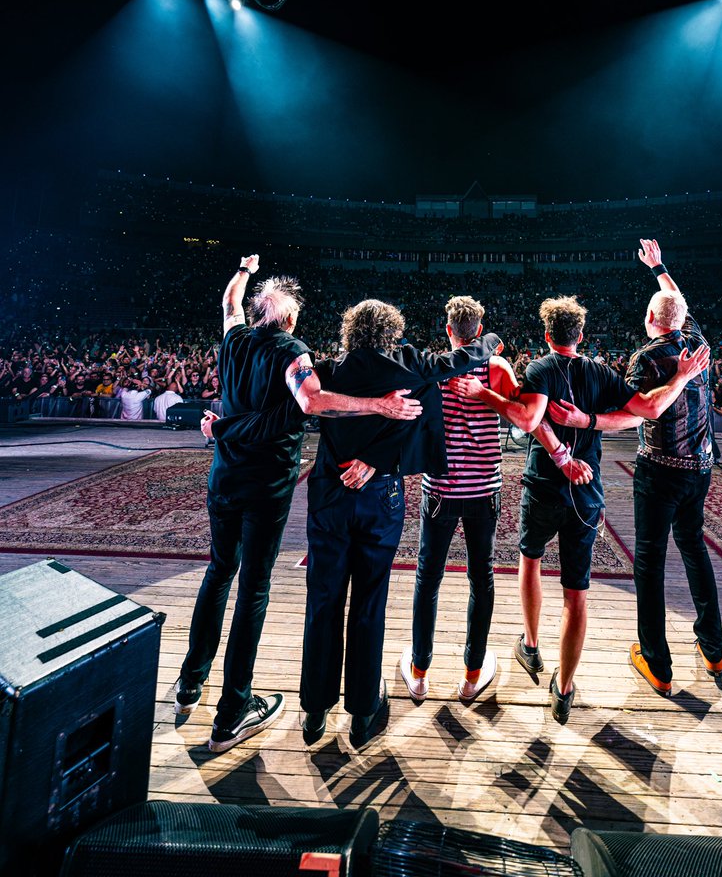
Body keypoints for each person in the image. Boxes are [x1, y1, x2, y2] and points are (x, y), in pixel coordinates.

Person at [176, 258, 423, 754]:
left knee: (219, 571)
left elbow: (227, 304)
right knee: (253, 589)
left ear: (256, 313)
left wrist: (243, 271)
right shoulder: (293, 350)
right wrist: (379, 405)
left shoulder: (234, 337)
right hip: (264, 484)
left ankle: (189, 683)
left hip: (223, 476)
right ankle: (231, 712)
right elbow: (311, 402)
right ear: (289, 319)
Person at [451, 294, 709, 724]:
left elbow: (529, 420)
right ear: (582, 335)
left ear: (548, 335)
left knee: (529, 562)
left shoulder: (538, 368)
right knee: (577, 595)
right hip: (587, 491)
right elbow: (648, 410)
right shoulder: (601, 372)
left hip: (545, 485)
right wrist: (681, 377)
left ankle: (531, 646)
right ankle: (565, 687)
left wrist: (486, 395)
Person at [301, 299, 503, 749]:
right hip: (380, 496)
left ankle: (314, 712)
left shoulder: (327, 370)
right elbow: (464, 359)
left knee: (323, 601)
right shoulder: (409, 364)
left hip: (330, 494)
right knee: (369, 603)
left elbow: (304, 406)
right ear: (392, 332)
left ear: (350, 331)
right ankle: (361, 715)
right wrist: (489, 340)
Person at [400, 295, 520, 705]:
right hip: (484, 489)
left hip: (441, 489)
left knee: (427, 579)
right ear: (480, 329)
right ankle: (471, 675)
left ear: (448, 329)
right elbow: (522, 417)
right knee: (480, 578)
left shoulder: (435, 370)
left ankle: (419, 673)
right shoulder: (498, 367)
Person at [621, 239, 722, 697]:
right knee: (694, 549)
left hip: (660, 473)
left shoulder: (645, 359)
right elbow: (678, 303)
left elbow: (634, 411)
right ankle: (713, 648)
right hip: (699, 470)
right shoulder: (700, 345)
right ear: (681, 321)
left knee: (649, 561)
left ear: (648, 321)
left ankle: (657, 663)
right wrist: (660, 268)